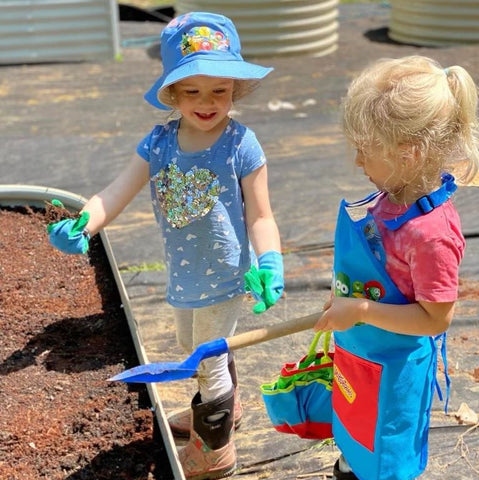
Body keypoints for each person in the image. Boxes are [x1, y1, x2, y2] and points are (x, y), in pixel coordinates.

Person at [47, 12, 284, 480]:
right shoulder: (159, 143)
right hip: (184, 273)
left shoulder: (242, 144)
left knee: (207, 356)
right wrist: (84, 223)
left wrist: (271, 262)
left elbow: (261, 214)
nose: (207, 101)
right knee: (190, 344)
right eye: (192, 91)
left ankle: (216, 449)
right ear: (172, 93)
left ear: (235, 89)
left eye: (219, 89)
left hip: (229, 272)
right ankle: (224, 409)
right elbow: (115, 193)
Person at [313, 55, 479, 480]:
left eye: (365, 152)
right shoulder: (390, 197)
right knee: (353, 441)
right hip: (360, 354)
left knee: (385, 460)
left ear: (409, 154)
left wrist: (363, 311)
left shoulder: (431, 234)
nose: (357, 163)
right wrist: (346, 298)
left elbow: (434, 319)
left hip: (394, 372)